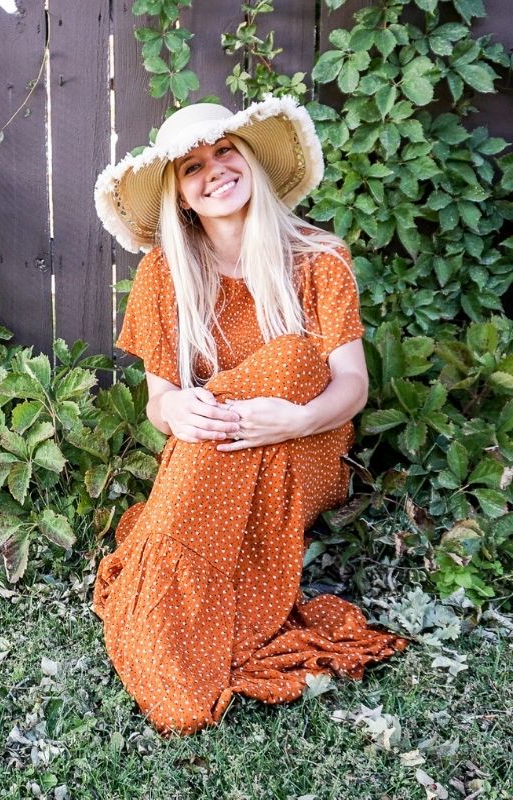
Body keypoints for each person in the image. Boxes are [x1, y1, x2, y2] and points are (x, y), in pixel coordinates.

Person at [92, 96, 407, 736]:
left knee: (290, 359)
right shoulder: (164, 273)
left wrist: (294, 421)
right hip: (217, 453)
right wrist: (177, 408)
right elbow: (159, 403)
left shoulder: (319, 258)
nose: (214, 171)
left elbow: (352, 385)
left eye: (225, 151)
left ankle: (180, 601)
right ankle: (163, 615)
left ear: (251, 161)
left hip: (305, 444)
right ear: (181, 196)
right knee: (209, 410)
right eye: (192, 167)